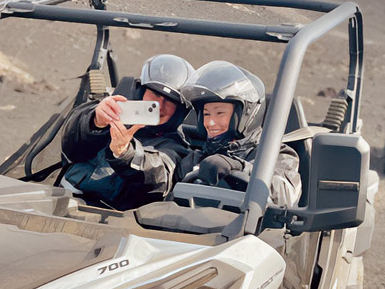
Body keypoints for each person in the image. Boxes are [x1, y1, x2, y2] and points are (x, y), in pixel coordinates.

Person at [61, 54, 193, 210]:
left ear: (179, 111)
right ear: (141, 92)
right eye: (155, 94)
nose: (159, 105)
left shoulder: (176, 149)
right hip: (58, 200)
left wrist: (125, 153)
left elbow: (157, 175)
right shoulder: (114, 115)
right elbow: (69, 144)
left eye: (170, 101)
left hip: (109, 218)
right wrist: (95, 121)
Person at [175, 61, 301, 206]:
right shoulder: (196, 158)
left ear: (246, 115)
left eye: (220, 113)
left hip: (250, 226)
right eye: (206, 114)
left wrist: (239, 167)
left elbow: (286, 193)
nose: (210, 123)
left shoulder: (275, 154)